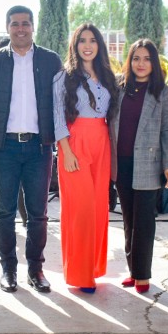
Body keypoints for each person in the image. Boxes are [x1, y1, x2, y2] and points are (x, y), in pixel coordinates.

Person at [0, 5, 62, 294]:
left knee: (38, 214)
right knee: (4, 211)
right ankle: (9, 270)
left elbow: (60, 101)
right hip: (4, 148)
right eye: (15, 23)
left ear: (33, 26)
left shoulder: (50, 60)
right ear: (7, 27)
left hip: (39, 147)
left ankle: (36, 270)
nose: (21, 28)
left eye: (25, 23)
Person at [52, 23, 119, 293]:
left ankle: (93, 268)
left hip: (102, 143)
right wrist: (66, 151)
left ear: (99, 45)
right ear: (75, 45)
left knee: (98, 208)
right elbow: (57, 116)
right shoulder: (63, 77)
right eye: (82, 40)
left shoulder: (108, 77)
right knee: (80, 210)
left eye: (92, 40)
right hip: (75, 143)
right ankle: (80, 275)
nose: (87, 45)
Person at [112, 39, 168, 294]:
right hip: (121, 162)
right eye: (136, 58)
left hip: (149, 163)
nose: (141, 64)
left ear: (154, 63)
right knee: (128, 219)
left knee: (144, 221)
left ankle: (143, 275)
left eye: (147, 59)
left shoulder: (162, 92)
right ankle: (133, 271)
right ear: (130, 61)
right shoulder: (118, 87)